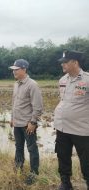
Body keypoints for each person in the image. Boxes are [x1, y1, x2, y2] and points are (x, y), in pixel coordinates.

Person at [54, 50, 89, 190]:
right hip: (62, 127)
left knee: (86, 161)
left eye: (65, 62)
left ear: (75, 62)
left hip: (81, 130)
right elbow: (63, 101)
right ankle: (65, 183)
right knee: (63, 157)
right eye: (62, 62)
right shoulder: (62, 80)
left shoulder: (87, 79)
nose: (62, 64)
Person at [9, 59, 43, 185]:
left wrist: (33, 122)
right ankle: (18, 167)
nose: (14, 72)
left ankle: (34, 173)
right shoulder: (16, 84)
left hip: (27, 124)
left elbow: (38, 106)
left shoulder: (32, 85)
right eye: (13, 70)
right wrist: (12, 118)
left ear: (24, 69)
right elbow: (14, 103)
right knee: (18, 147)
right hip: (17, 123)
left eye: (16, 70)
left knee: (32, 148)